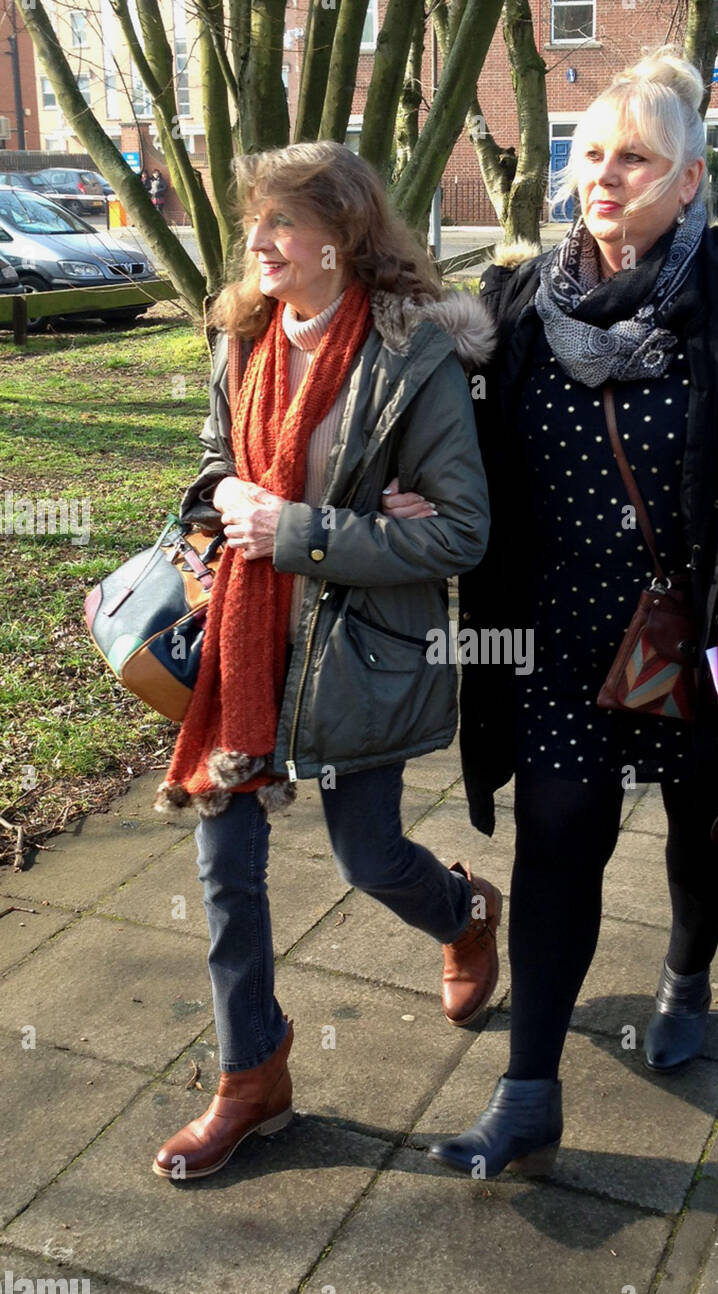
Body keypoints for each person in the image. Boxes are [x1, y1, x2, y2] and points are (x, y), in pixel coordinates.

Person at [427, 48, 718, 1180]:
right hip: (560, 636)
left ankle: (687, 971)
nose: (604, 175)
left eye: (636, 158)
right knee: (559, 837)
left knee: (696, 829)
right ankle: (527, 1094)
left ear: (690, 183)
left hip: (699, 635)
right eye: (592, 152)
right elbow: (462, 444)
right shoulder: (518, 302)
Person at [151, 140, 498, 1180]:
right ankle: (251, 1074)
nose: (257, 243)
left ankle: (469, 911)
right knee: (225, 879)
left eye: (280, 224)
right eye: (253, 223)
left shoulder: (411, 357)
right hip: (243, 656)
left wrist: (299, 529)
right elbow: (217, 465)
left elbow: (460, 533)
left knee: (366, 858)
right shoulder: (245, 339)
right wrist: (223, 500)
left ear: (340, 237)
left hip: (357, 656)